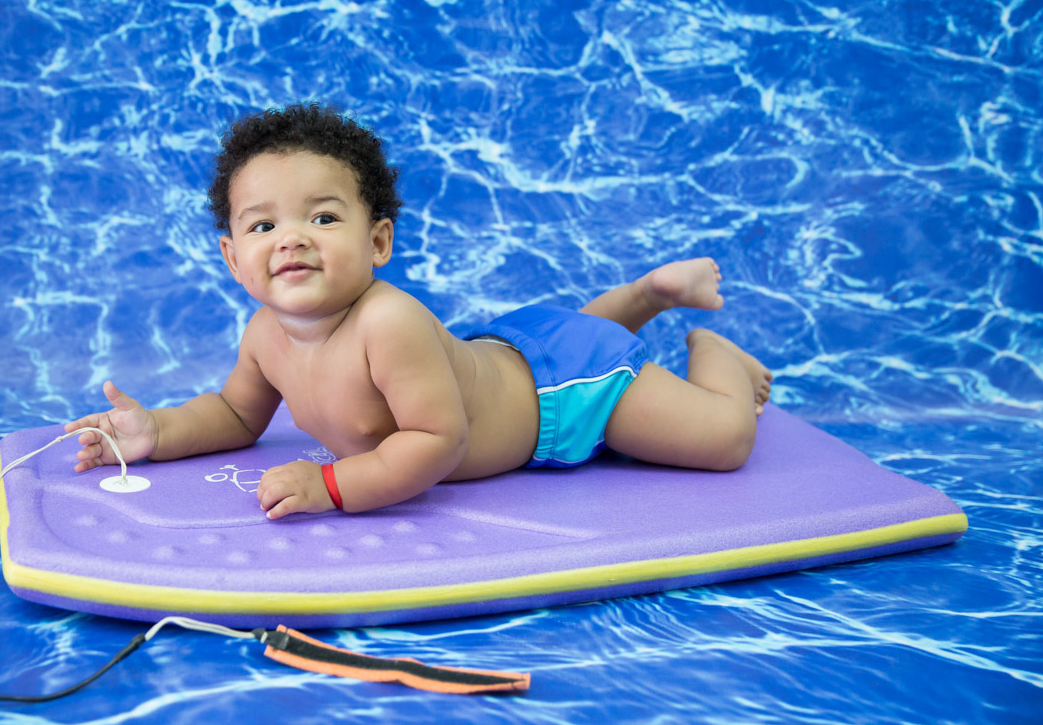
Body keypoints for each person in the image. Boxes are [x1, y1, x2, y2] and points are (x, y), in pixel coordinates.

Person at [65, 104, 772, 520]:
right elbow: (233, 415)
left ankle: (714, 352)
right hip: (521, 349)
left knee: (724, 441)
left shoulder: (387, 323)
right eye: (262, 226)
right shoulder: (264, 337)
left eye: (322, 216)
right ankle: (647, 294)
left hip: (568, 399)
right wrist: (155, 430)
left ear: (378, 241)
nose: (292, 238)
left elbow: (440, 443)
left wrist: (332, 485)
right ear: (231, 257)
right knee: (580, 333)